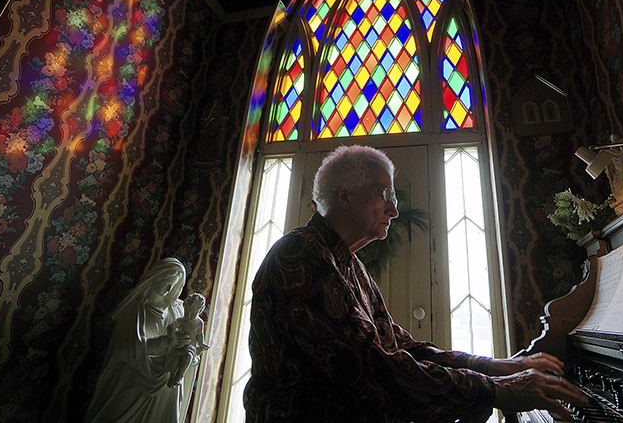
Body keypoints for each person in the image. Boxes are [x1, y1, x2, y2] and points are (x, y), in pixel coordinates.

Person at [244, 145, 587, 422]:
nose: (394, 209)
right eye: (385, 194)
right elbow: (370, 369)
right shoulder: (299, 253)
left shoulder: (350, 264)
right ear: (345, 196)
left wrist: (494, 366)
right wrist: (495, 389)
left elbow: (405, 349)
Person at [85, 258, 198, 423]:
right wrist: (168, 341)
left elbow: (187, 342)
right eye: (166, 282)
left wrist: (188, 351)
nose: (169, 289)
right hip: (132, 379)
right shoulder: (134, 310)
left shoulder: (176, 310)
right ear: (154, 278)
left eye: (173, 286)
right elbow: (129, 349)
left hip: (164, 384)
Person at [165, 293, 209, 387]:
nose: (190, 315)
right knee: (173, 363)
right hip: (178, 346)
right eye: (188, 312)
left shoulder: (199, 322)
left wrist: (202, 344)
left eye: (193, 313)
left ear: (199, 311)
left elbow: (200, 335)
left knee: (188, 356)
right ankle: (172, 378)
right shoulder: (182, 320)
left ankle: (179, 377)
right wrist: (173, 336)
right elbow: (171, 327)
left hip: (190, 347)